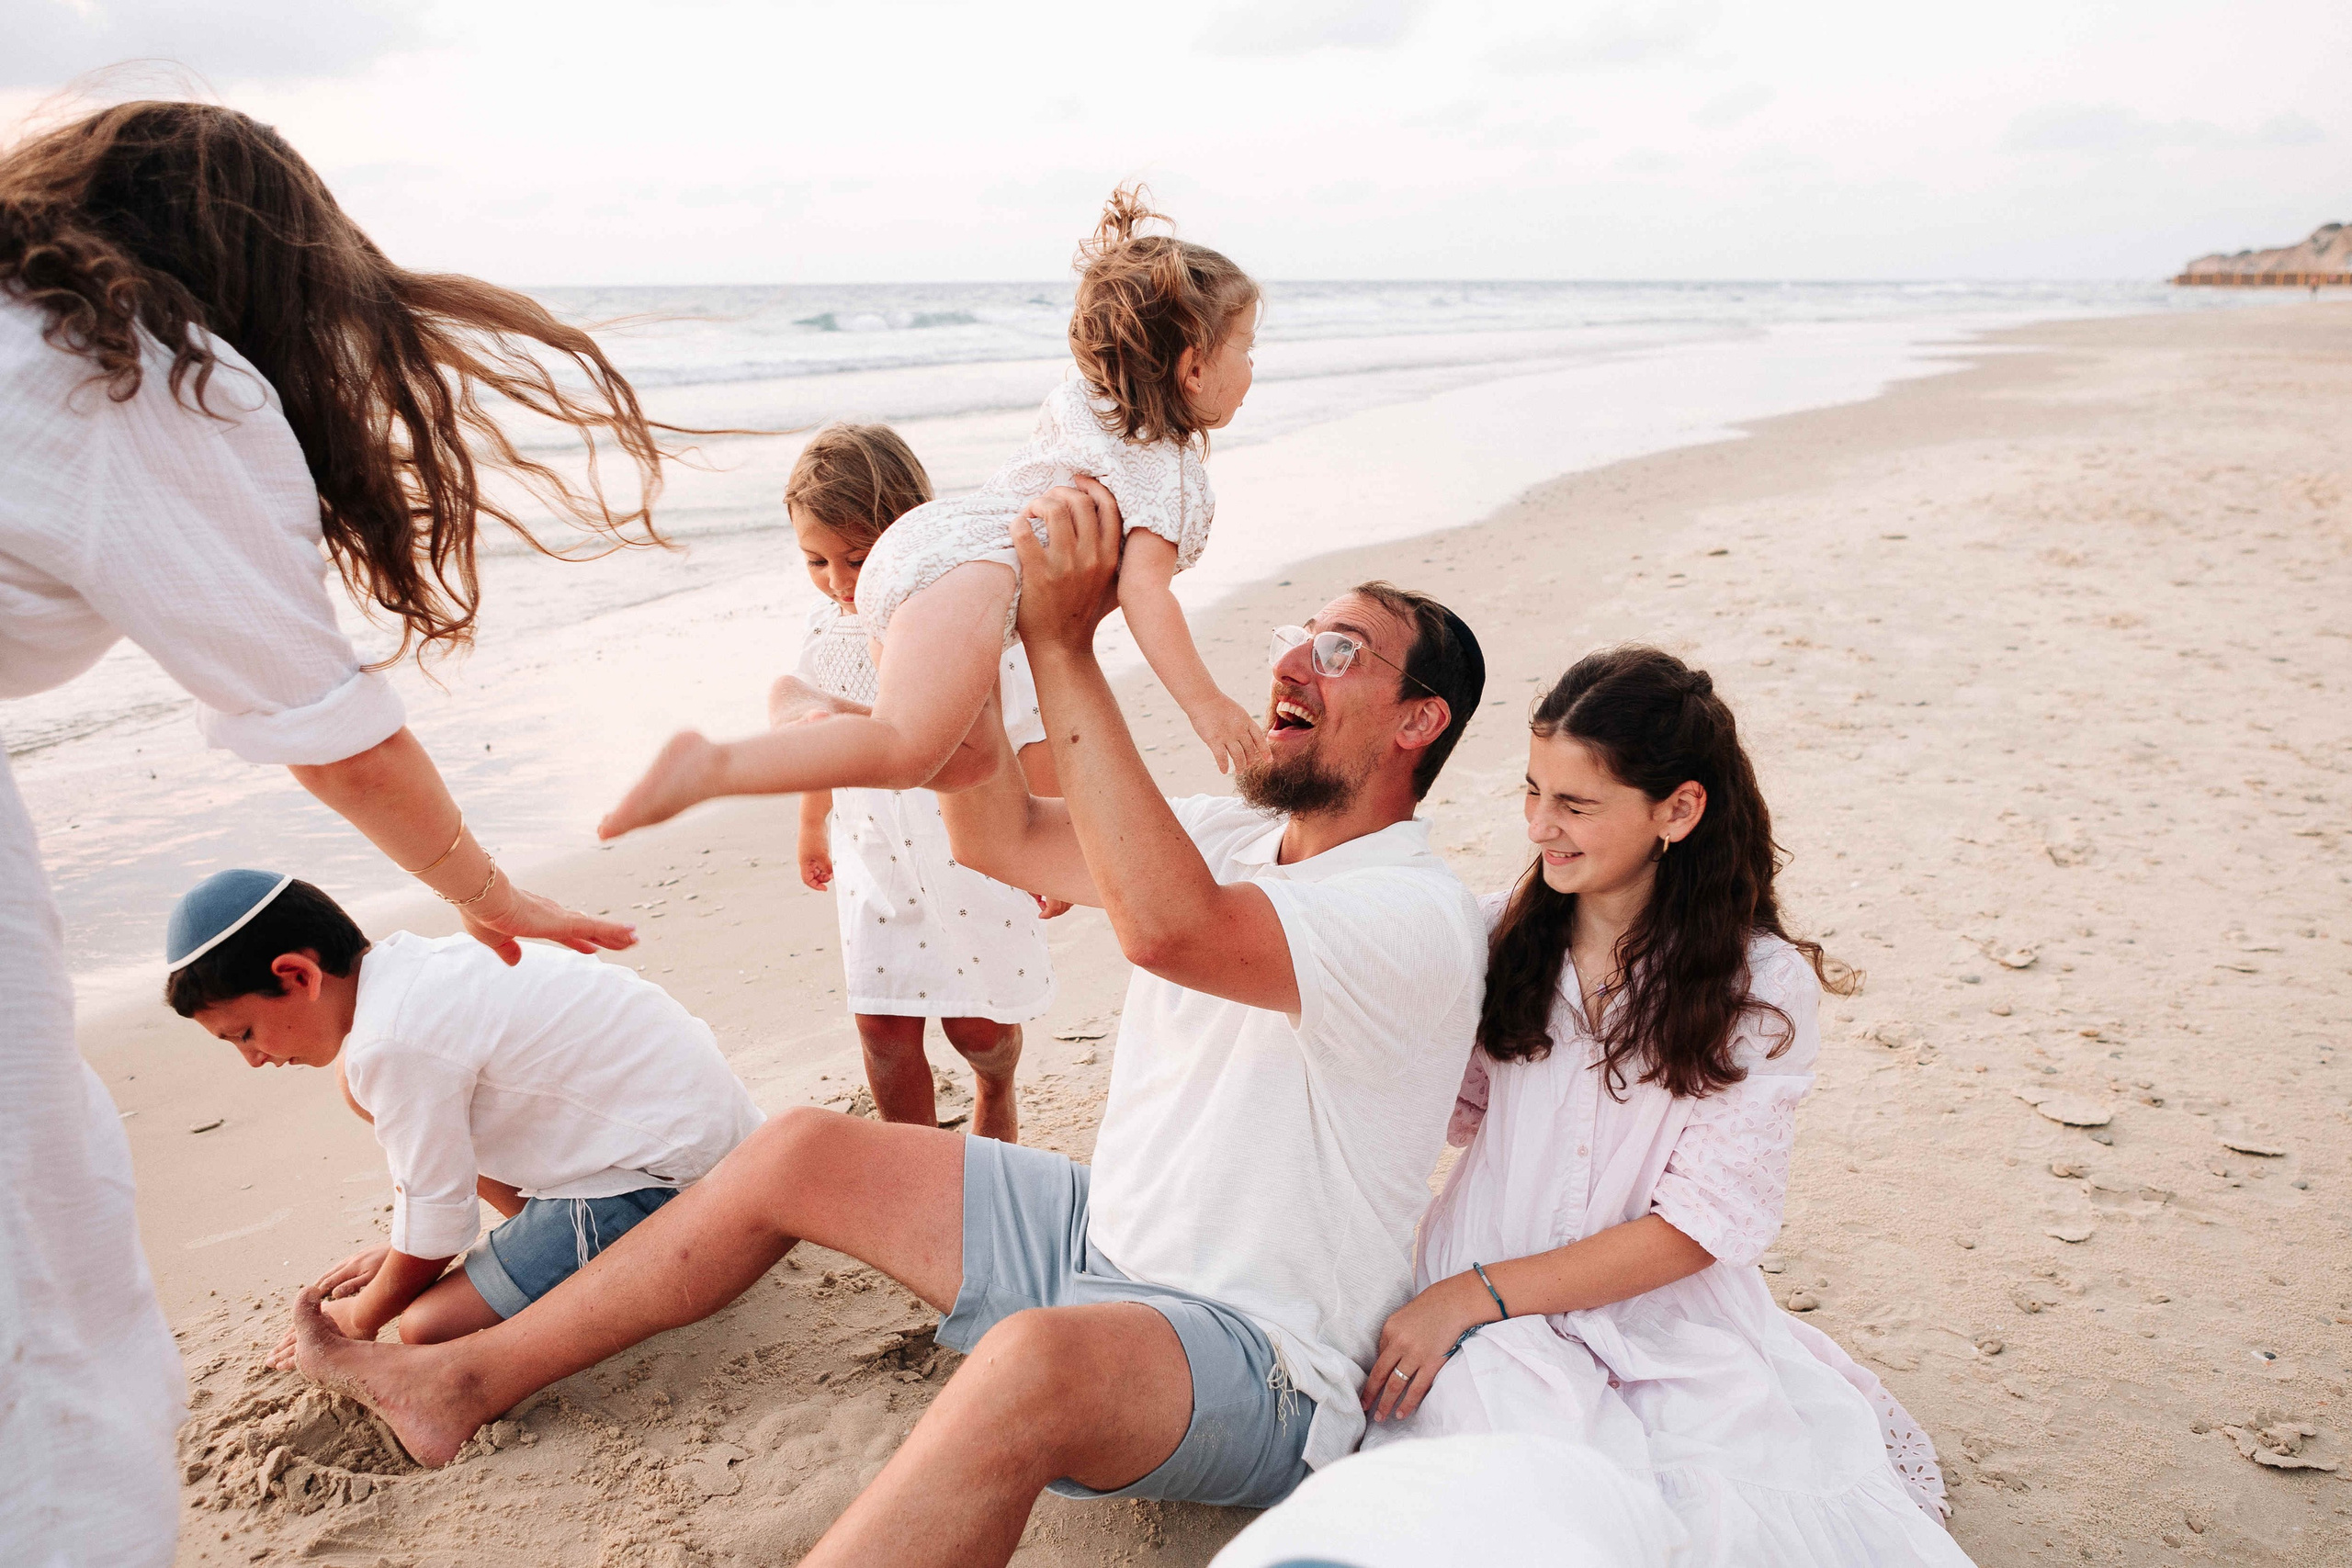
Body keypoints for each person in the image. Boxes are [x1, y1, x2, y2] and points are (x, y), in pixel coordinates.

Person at [289, 479, 1489, 1568]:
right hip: (1108, 1239)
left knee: (1035, 1364)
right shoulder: (1231, 836)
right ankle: (460, 1379)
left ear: (1415, 722)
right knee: (803, 1145)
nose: (1292, 661)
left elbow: (1173, 931)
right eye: (1296, 635)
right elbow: (1000, 834)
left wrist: (1068, 644)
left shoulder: (1411, 911)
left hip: (1264, 1360)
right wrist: (948, 614)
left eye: (1340, 650)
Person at [0, 101, 673, 1566]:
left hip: (647, 1174)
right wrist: (491, 887)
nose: (249, 1062)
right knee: (46, 1304)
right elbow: (334, 727)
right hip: (647, 1174)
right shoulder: (132, 370)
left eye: (238, 1036)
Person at [1327, 648, 1973, 1566]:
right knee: (1526, 1501)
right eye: (1532, 791)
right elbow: (1382, 1045)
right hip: (1480, 1286)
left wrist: (1475, 1297)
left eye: (1576, 805)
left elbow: (1696, 1226)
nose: (1540, 827)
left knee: (1723, 1504)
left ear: (1678, 809)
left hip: (1647, 1303)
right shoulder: (1494, 937)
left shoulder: (1759, 987)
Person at [595, 185, 1267, 840]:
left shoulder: (1087, 403)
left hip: (928, 541)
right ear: (1194, 370)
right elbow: (1145, 593)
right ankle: (714, 765)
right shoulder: (1166, 470)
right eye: (1246, 346)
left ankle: (813, 705)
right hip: (966, 576)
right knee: (906, 748)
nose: (1254, 366)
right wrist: (1206, 705)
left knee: (967, 764)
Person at [159, 870, 762, 1359]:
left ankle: (590, 1263)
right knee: (364, 1102)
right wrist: (415, 1252)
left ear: (297, 975)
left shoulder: (389, 1043)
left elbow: (440, 1219)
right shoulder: (410, 971)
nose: (253, 1059)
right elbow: (436, 1191)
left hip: (670, 1177)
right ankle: (537, 1245)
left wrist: (363, 1312)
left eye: (244, 1032)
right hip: (702, 1133)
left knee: (428, 1322)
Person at [778, 423, 1064, 1142]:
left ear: (908, 533)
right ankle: (921, 1164)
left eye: (857, 557)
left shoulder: (967, 622)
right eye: (816, 560)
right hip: (873, 859)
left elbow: (1031, 738)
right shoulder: (824, 632)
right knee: (881, 1023)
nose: (840, 582)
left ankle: (994, 1084)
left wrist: (1052, 844)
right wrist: (813, 824)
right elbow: (822, 740)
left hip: (968, 852)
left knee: (979, 1026)